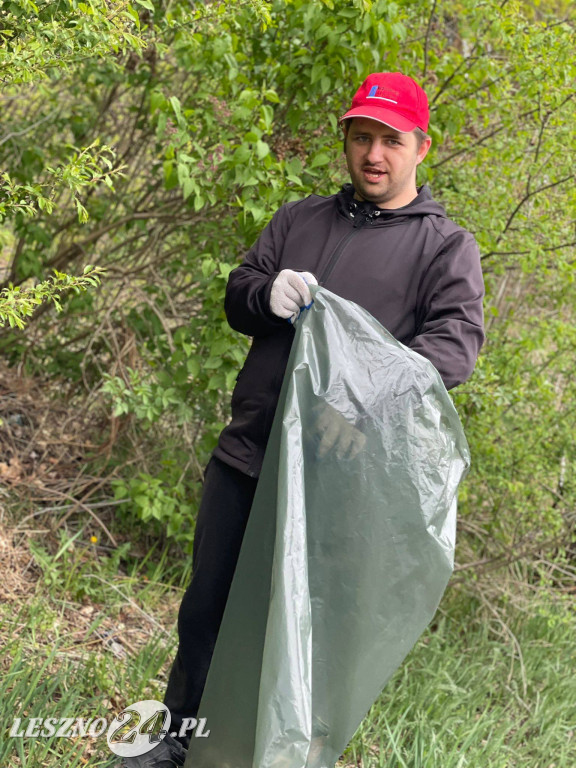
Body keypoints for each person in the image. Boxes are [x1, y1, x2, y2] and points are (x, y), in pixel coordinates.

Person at [121, 71, 485, 768]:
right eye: (361, 137)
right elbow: (238, 294)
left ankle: (278, 755)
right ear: (345, 142)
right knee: (208, 613)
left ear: (421, 147)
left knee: (306, 634)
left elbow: (452, 350)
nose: (373, 154)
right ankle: (176, 744)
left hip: (338, 484)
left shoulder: (444, 249)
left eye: (390, 140)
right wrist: (269, 295)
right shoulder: (299, 220)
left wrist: (358, 404)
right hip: (249, 454)